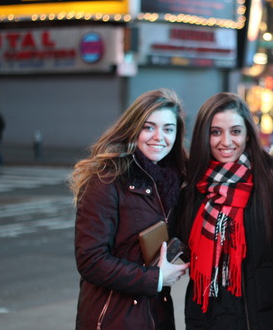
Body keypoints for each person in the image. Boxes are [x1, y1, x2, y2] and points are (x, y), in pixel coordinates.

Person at [178, 92, 273, 329]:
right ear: (204, 136)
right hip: (208, 319)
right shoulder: (192, 187)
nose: (226, 142)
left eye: (235, 131)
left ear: (248, 135)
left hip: (266, 318)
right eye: (216, 132)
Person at [69, 89, 190, 330]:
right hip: (112, 316)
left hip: (157, 314)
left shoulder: (176, 181)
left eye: (168, 129)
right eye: (149, 127)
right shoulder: (107, 178)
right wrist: (155, 278)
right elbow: (91, 260)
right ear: (134, 128)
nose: (159, 137)